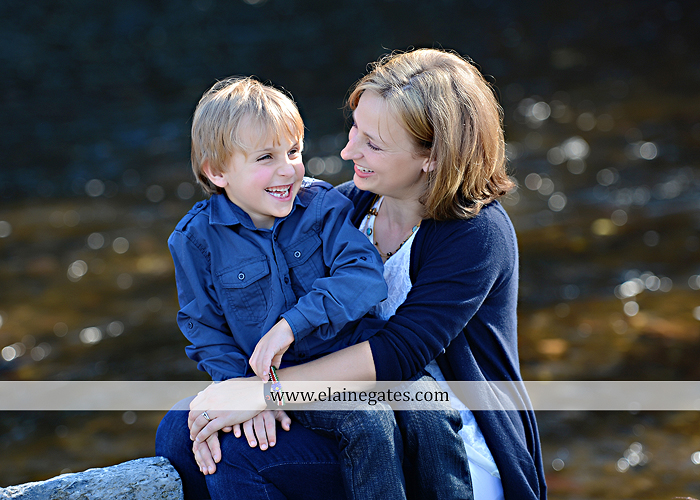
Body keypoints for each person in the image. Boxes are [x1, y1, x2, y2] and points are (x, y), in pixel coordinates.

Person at [157, 48, 547, 500]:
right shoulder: (348, 204)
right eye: (355, 130)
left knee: (240, 454)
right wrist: (235, 391)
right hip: (351, 405)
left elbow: (398, 354)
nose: (347, 151)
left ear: (433, 156)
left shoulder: (477, 233)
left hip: (446, 442)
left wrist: (266, 393)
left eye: (373, 144)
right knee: (181, 431)